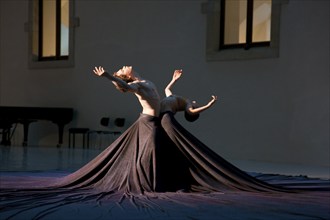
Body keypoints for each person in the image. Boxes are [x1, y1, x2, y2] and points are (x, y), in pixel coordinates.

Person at [159, 69, 289, 192]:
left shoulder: (187, 105)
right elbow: (167, 89)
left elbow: (192, 111)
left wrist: (208, 105)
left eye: (196, 106)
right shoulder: (181, 99)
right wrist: (174, 79)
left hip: (165, 118)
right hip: (161, 116)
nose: (196, 103)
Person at [55, 65, 165, 193]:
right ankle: (147, 182)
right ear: (127, 76)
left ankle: (154, 181)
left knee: (151, 152)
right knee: (147, 153)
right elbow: (126, 87)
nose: (123, 67)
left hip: (154, 121)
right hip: (148, 123)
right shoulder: (136, 85)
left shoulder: (144, 81)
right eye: (122, 70)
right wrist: (107, 76)